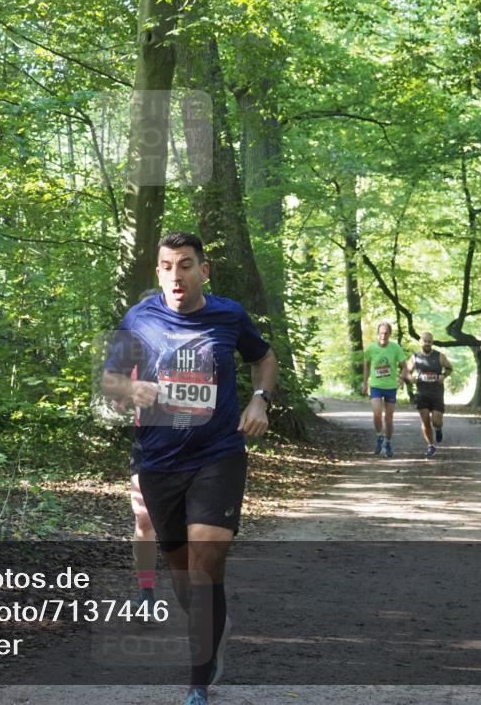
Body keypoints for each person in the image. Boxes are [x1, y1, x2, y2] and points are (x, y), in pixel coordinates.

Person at [102, 232, 277, 705]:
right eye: (167, 266)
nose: (176, 275)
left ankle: (198, 682)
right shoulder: (138, 319)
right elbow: (110, 380)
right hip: (159, 460)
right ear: (157, 272)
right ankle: (212, 619)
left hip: (217, 454)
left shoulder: (229, 315)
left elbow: (263, 358)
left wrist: (260, 401)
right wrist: (127, 392)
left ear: (204, 270)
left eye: (185, 265)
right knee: (183, 576)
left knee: (204, 563)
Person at [361, 321, 409, 457]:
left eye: (386, 333)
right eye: (381, 333)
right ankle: (379, 437)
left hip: (390, 387)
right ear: (378, 333)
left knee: (389, 418)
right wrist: (364, 383)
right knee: (377, 414)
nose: (383, 336)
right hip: (376, 386)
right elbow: (366, 365)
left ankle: (388, 443)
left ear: (390, 334)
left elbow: (404, 366)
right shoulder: (370, 348)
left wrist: (401, 378)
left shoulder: (395, 348)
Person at [406, 332, 453, 456]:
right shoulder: (415, 357)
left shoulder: (439, 356)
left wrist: (444, 375)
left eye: (429, 341)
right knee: (425, 420)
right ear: (420, 342)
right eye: (425, 341)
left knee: (436, 421)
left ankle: (438, 429)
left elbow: (449, 368)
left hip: (437, 393)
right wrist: (411, 379)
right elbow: (407, 372)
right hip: (422, 393)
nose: (427, 343)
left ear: (432, 342)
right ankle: (430, 446)